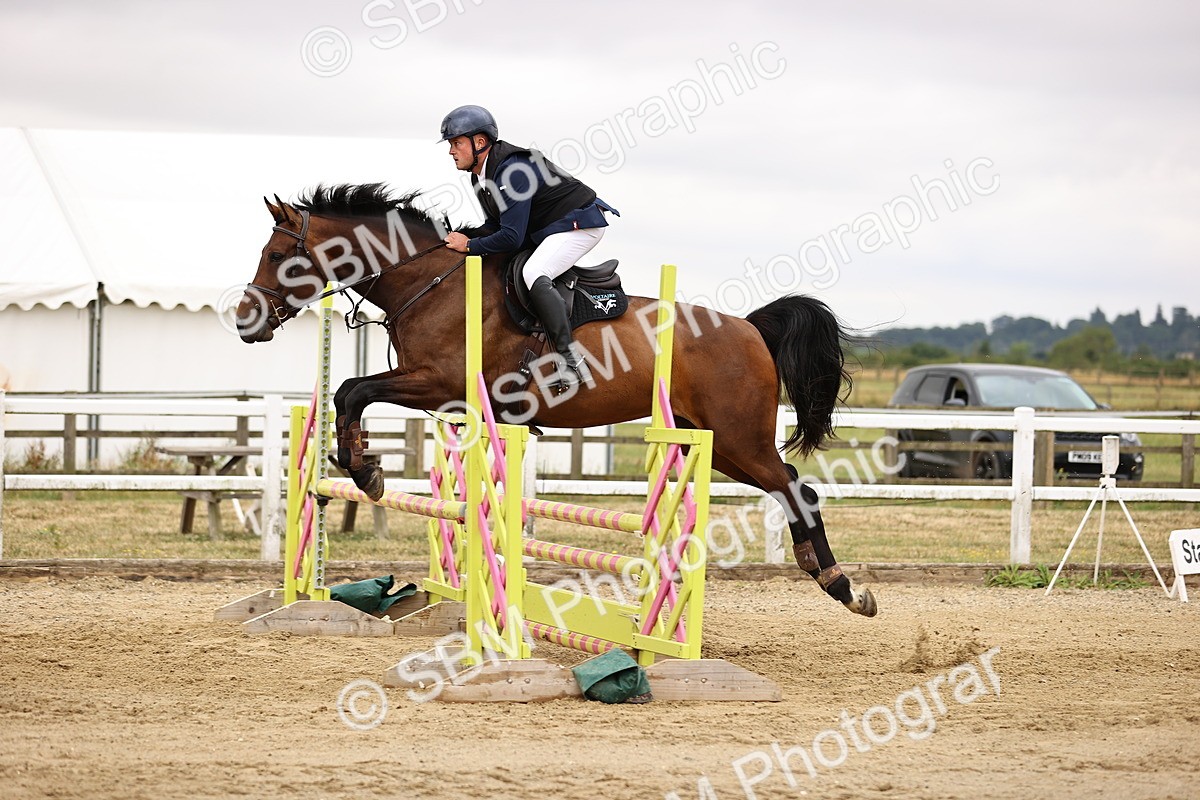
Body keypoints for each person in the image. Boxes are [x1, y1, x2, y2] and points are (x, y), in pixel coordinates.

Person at [439, 105, 618, 391]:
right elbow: (496, 226)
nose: (451, 151)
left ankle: (572, 362)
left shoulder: (511, 171)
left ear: (480, 142)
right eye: (451, 144)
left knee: (534, 271)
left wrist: (470, 244)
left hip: (580, 224)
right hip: (550, 227)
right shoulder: (480, 176)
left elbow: (511, 238)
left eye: (456, 143)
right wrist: (463, 237)